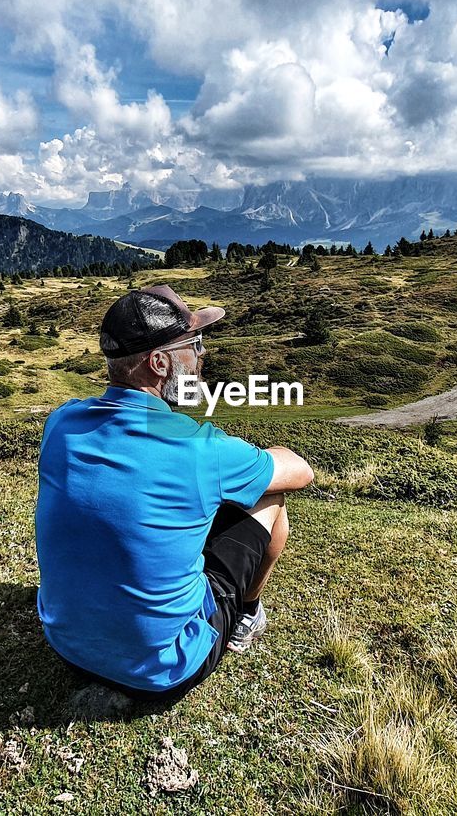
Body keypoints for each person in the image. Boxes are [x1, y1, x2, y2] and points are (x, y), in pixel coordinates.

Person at [34, 284, 314, 701]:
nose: (203, 356)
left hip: (66, 648)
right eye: (195, 344)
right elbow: (301, 471)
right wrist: (249, 456)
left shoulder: (61, 423)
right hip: (164, 670)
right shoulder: (198, 448)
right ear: (160, 362)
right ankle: (248, 615)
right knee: (269, 497)